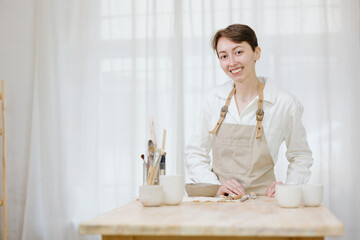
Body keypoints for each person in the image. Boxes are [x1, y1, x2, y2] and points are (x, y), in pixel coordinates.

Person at [185, 24, 313, 197]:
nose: (232, 62)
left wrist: (289, 187)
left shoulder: (284, 103)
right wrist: (215, 186)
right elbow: (195, 152)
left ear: (257, 53)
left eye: (238, 52)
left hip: (264, 204)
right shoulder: (212, 99)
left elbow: (300, 155)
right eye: (224, 56)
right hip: (220, 204)